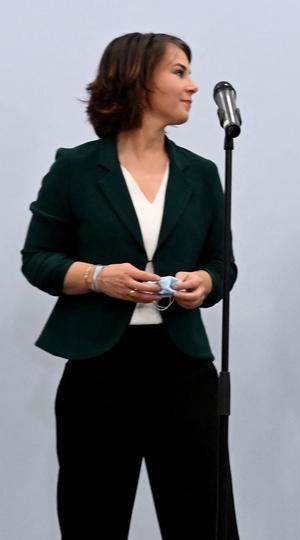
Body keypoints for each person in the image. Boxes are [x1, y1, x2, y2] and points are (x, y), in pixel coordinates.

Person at [21, 32, 239, 538]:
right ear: (139, 79)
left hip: (183, 367)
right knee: (92, 516)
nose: (193, 86)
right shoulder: (75, 168)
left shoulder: (202, 173)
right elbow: (38, 260)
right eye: (179, 72)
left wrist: (204, 281)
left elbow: (222, 263)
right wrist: (99, 277)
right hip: (99, 369)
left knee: (202, 520)